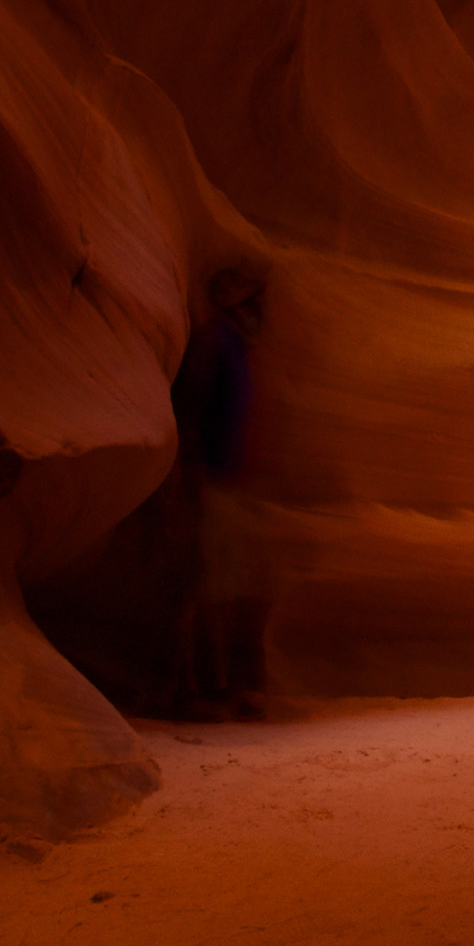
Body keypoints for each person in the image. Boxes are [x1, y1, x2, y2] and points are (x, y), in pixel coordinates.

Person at [174, 268, 274, 721]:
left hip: (229, 482)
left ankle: (232, 686)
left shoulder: (238, 347)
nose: (260, 314)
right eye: (254, 304)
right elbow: (194, 405)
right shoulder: (217, 340)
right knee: (209, 588)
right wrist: (193, 470)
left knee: (232, 587)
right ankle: (201, 691)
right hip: (211, 480)